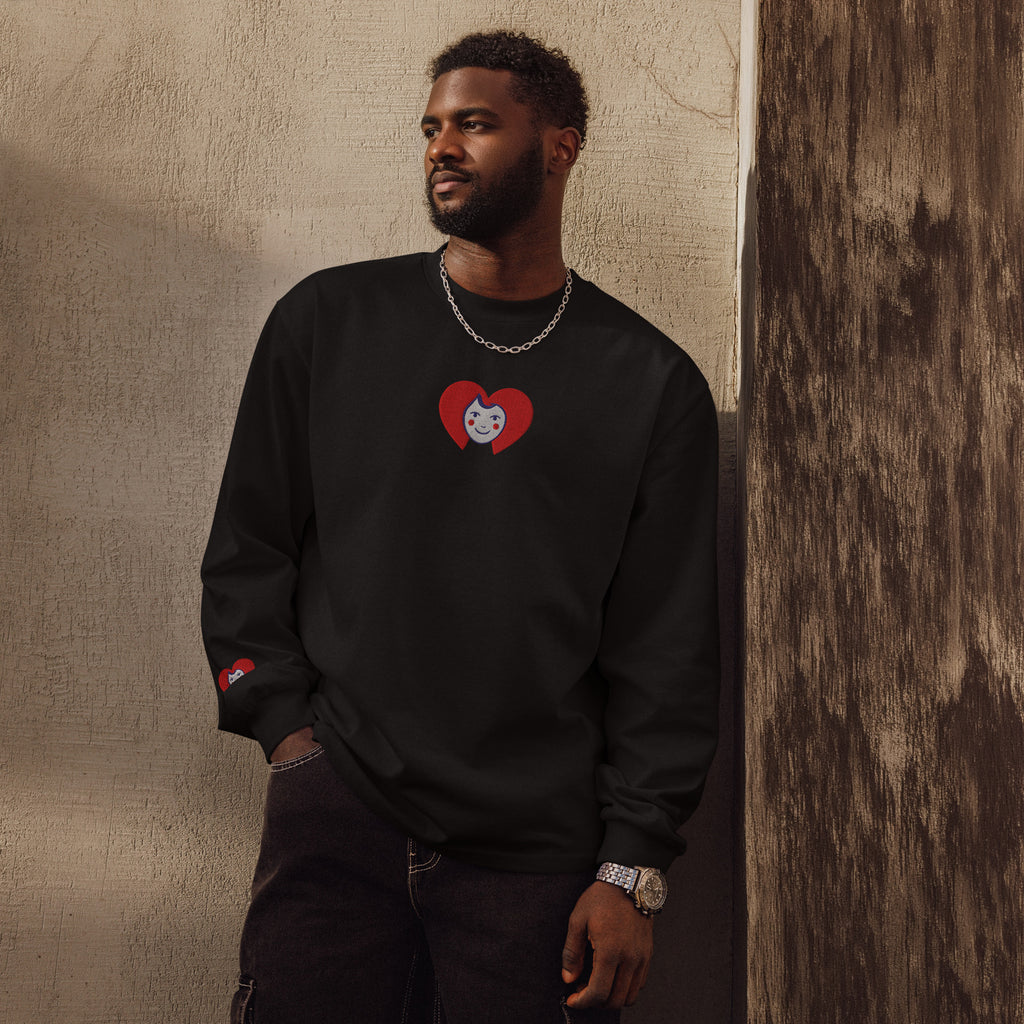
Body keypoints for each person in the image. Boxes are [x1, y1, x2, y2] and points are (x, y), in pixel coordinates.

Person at [201, 29, 720, 1024]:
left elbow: (669, 649)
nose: (441, 146)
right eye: (431, 127)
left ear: (561, 144)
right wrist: (285, 735)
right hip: (337, 813)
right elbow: (247, 550)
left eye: (474, 124)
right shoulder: (327, 323)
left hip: (538, 860)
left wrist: (633, 867)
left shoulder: (648, 383)